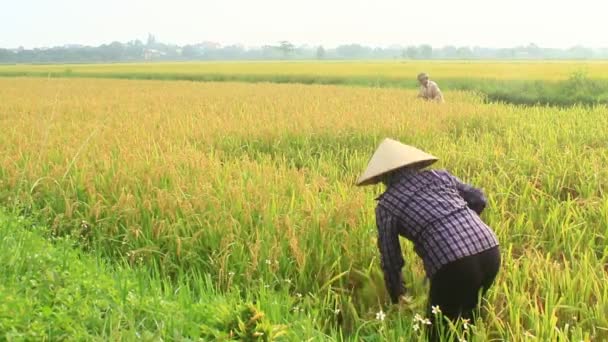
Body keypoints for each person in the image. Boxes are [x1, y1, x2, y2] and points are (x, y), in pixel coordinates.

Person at [356, 138, 500, 339]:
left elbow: (391, 259)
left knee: (437, 332)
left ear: (383, 176)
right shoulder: (440, 176)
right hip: (490, 248)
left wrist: (397, 296)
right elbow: (478, 198)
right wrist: (464, 225)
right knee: (468, 317)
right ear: (413, 163)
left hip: (454, 263)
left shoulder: (387, 205)